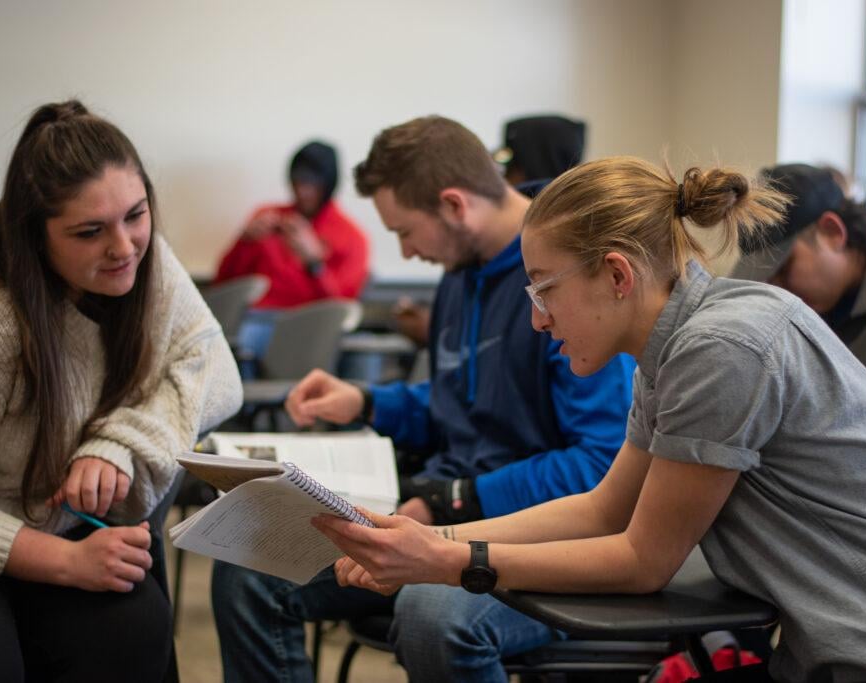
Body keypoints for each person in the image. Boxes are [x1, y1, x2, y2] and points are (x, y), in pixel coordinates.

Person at [315, 157, 866, 682]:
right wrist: (424, 541)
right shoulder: (676, 345)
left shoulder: (723, 348)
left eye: (542, 290)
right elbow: (602, 510)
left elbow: (642, 561)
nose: (538, 320)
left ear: (616, 275)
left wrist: (449, 561)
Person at [210, 116, 635, 682]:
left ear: (454, 206)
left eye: (405, 232)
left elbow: (598, 467)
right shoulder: (460, 276)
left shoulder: (567, 277)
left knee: (431, 612)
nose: (406, 253)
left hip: (536, 537)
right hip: (439, 515)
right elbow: (455, 402)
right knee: (250, 570)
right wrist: (365, 402)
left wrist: (450, 502)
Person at [0, 100, 243, 683]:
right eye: (90, 231)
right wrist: (65, 562)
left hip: (55, 521)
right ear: (35, 235)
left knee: (133, 628)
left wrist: (119, 444)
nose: (124, 246)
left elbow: (213, 365)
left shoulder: (144, 257)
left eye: (136, 215)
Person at [732, 163, 866, 440]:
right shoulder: (817, 298)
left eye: (785, 270)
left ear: (833, 232)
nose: (779, 291)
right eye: (767, 279)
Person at [395, 113, 589, 348]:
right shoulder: (479, 254)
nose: (504, 181)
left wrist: (429, 328)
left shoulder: (568, 253)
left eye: (511, 169)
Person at [214, 140, 370, 361]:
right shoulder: (267, 216)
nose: (302, 192)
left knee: (248, 340)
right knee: (233, 341)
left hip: (309, 329)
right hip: (256, 319)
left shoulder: (352, 237)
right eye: (297, 182)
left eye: (311, 185)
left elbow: (342, 312)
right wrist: (244, 241)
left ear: (328, 186)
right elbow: (224, 283)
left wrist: (315, 263)